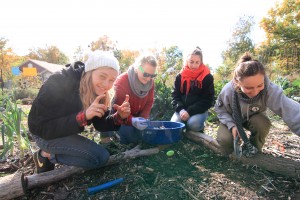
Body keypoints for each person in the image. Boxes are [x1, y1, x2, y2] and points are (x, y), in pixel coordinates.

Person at [28, 50, 131, 173]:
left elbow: (100, 124)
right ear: (90, 71)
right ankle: (46, 155)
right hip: (43, 133)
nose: (106, 84)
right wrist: (82, 117)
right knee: (99, 158)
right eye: (102, 76)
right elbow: (40, 127)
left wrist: (118, 117)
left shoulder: (98, 90)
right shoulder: (58, 82)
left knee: (102, 156)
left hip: (64, 130)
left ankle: (51, 154)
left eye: (111, 80)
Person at [215, 52, 300, 157]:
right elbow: (220, 110)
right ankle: (231, 154)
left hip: (253, 118)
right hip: (231, 119)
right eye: (249, 88)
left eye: (260, 85)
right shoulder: (228, 91)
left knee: (262, 124)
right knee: (225, 140)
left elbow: (291, 111)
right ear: (237, 82)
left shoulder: (269, 89)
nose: (255, 92)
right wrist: (232, 125)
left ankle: (252, 150)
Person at [111, 54, 158, 144]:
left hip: (137, 117)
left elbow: (149, 102)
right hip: (120, 119)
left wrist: (142, 119)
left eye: (152, 76)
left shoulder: (150, 83)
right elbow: (117, 110)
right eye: (146, 74)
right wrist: (132, 120)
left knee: (145, 136)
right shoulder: (122, 82)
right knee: (131, 139)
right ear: (137, 68)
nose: (148, 79)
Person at [171, 47, 215, 132]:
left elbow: (208, 100)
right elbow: (175, 96)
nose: (194, 65)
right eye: (191, 62)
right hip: (182, 110)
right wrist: (181, 110)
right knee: (174, 125)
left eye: (197, 62)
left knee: (193, 124)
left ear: (201, 62)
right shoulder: (180, 76)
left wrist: (190, 112)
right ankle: (184, 126)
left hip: (198, 111)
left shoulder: (207, 77)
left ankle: (199, 127)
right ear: (186, 61)